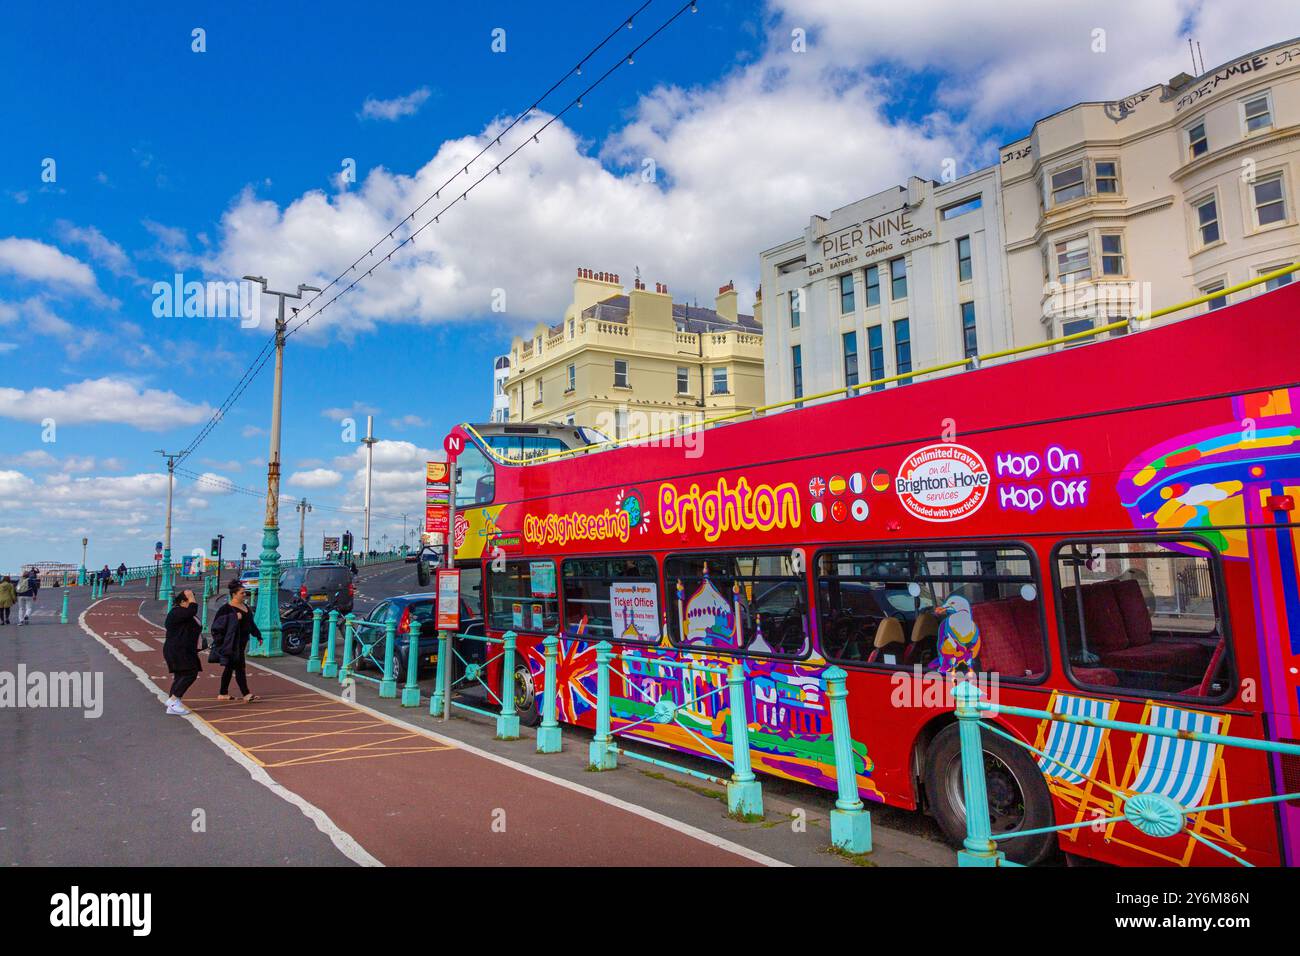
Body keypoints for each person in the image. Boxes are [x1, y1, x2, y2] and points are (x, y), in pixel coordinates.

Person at [209, 579, 261, 703]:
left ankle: (223, 693)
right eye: (242, 593)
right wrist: (233, 619)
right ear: (234, 594)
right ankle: (246, 694)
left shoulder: (245, 606)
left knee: (230, 668)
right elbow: (216, 627)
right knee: (239, 668)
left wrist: (258, 635)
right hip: (232, 644)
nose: (244, 594)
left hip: (242, 643)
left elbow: (250, 623)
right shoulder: (226, 609)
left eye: (244, 592)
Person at [162, 589, 203, 715]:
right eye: (189, 601)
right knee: (190, 673)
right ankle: (173, 700)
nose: (191, 603)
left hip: (183, 649)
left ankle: (173, 704)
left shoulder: (183, 614)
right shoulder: (177, 612)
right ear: (182, 602)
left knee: (181, 675)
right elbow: (192, 610)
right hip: (178, 649)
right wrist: (190, 595)